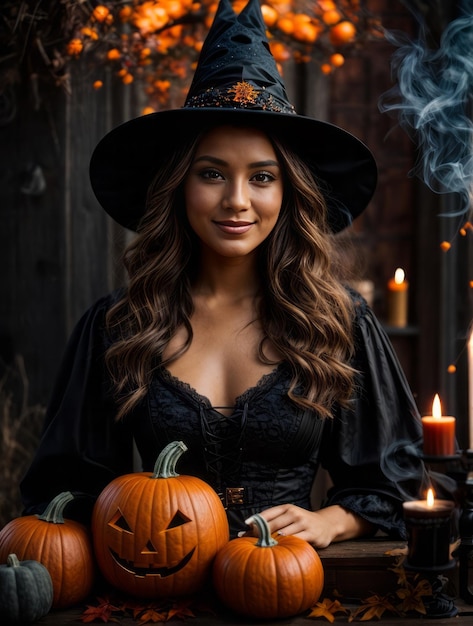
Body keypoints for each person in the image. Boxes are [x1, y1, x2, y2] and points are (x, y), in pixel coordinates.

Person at [20, 0, 423, 548]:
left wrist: (333, 520)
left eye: (261, 177)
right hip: (155, 592)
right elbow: (63, 494)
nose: (237, 200)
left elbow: (393, 483)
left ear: (288, 193)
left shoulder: (339, 321)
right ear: (179, 187)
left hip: (292, 587)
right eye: (211, 173)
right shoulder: (119, 324)